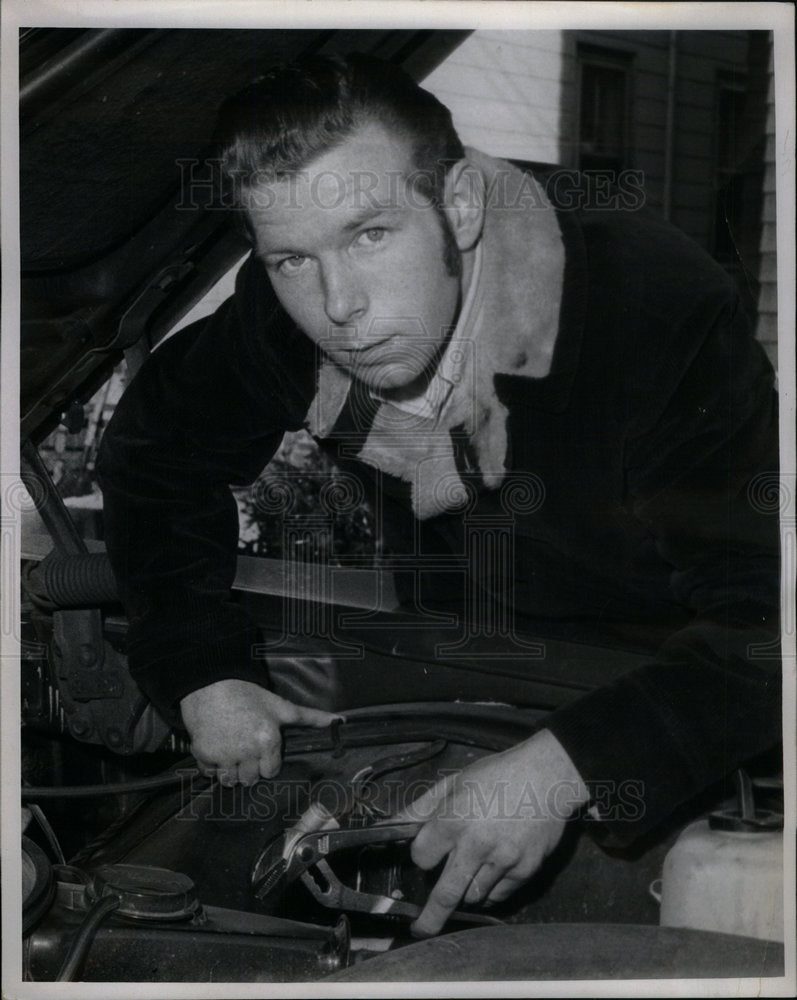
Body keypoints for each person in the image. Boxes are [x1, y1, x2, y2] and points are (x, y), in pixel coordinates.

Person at [97, 53, 781, 938]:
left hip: (653, 675)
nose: (338, 306)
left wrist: (567, 767)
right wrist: (198, 669)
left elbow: (768, 621)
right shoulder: (286, 316)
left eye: (370, 235)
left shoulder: (654, 312)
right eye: (292, 260)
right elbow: (154, 455)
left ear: (457, 207)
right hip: (459, 656)